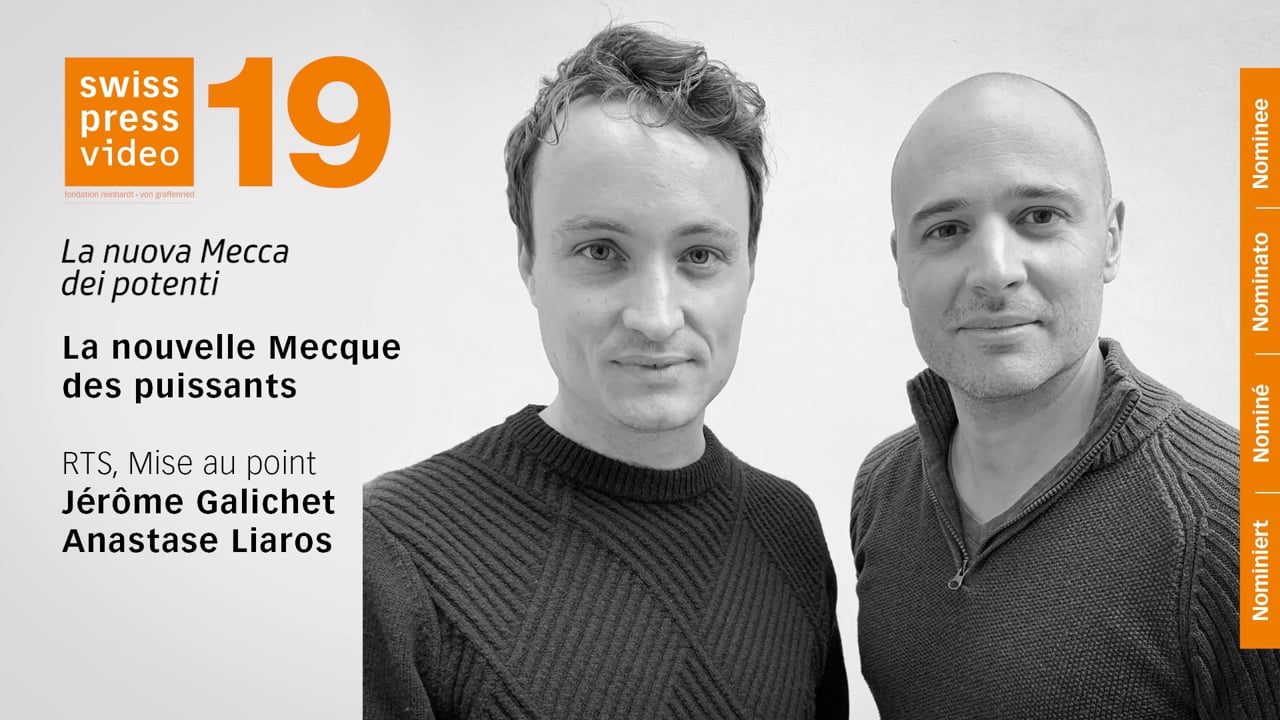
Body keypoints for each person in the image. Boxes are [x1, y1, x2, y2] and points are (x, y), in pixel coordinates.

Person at [364, 24, 847, 720]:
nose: (655, 317)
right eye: (600, 251)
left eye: (700, 255)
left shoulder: (788, 531)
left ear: (749, 267)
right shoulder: (389, 551)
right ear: (529, 263)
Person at [850, 72, 1280, 718]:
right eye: (947, 229)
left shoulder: (1243, 519)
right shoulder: (883, 488)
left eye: (1039, 217)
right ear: (900, 267)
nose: (995, 271)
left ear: (1110, 240)